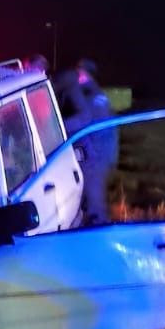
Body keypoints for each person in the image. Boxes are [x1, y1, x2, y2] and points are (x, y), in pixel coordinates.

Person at [55, 58, 117, 223]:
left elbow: (82, 121)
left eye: (79, 73)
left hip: (94, 160)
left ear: (85, 75)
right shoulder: (98, 96)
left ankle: (98, 238)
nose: (76, 77)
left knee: (93, 206)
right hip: (99, 157)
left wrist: (55, 128)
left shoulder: (91, 98)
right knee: (89, 203)